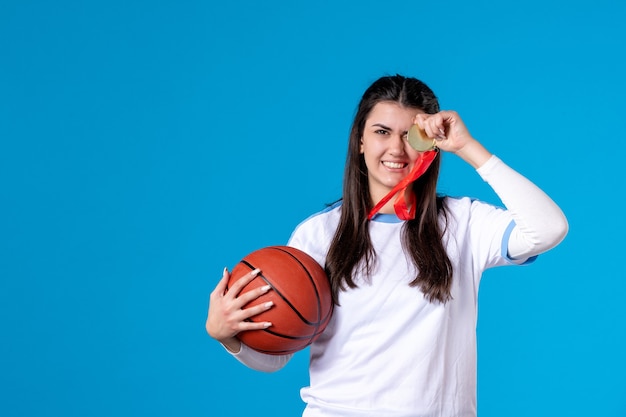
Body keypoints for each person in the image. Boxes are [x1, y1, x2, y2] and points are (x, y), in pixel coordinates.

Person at [206, 74, 568, 416]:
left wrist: (468, 148)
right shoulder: (318, 234)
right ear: (360, 141)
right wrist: (228, 337)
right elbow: (278, 356)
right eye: (382, 132)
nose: (396, 148)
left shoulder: (464, 223)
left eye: (410, 135)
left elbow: (549, 228)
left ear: (430, 145)